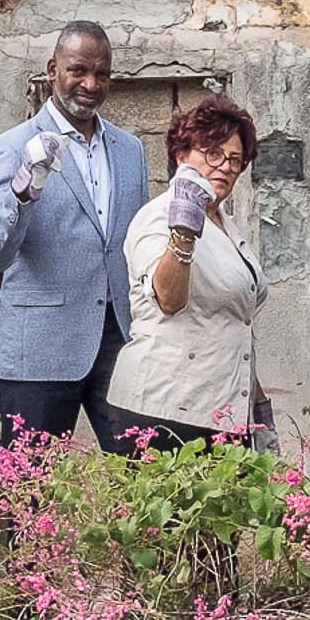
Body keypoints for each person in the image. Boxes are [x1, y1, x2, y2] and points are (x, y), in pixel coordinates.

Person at [0, 22, 147, 448]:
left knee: (143, 483)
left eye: (102, 74)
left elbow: (136, 243)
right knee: (30, 492)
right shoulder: (13, 146)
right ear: (53, 70)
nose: (90, 84)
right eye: (78, 70)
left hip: (117, 340)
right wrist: (22, 191)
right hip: (38, 347)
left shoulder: (130, 150)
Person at [107, 100, 272, 452]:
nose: (225, 167)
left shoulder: (227, 225)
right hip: (164, 409)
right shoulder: (158, 216)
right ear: (182, 155)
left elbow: (237, 325)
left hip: (225, 410)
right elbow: (168, 298)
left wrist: (259, 408)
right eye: (213, 153)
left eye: (235, 159)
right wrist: (183, 229)